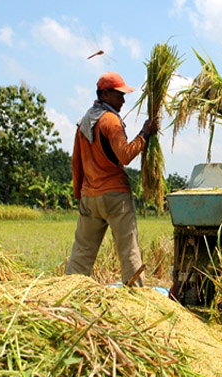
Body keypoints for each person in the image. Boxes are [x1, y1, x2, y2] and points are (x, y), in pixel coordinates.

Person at [65, 71, 157, 287]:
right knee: (129, 250)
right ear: (105, 94)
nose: (123, 100)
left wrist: (79, 195)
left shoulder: (84, 122)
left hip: (90, 198)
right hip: (115, 197)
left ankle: (68, 293)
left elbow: (76, 163)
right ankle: (137, 298)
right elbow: (125, 155)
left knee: (81, 254)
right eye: (119, 95)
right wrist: (144, 133)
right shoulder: (110, 122)